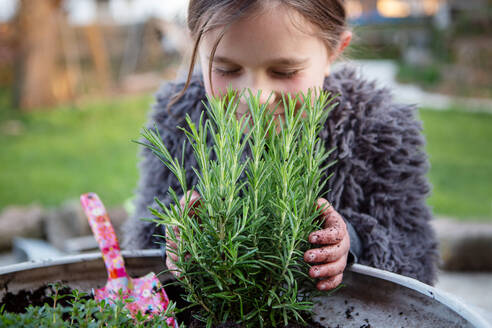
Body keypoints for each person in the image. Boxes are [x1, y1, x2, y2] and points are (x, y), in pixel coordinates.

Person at [122, 0, 439, 291]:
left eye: (284, 71)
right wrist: (174, 239)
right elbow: (143, 245)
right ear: (195, 45)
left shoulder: (378, 128)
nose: (255, 97)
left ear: (333, 52)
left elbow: (414, 258)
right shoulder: (177, 118)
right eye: (227, 69)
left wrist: (353, 243)